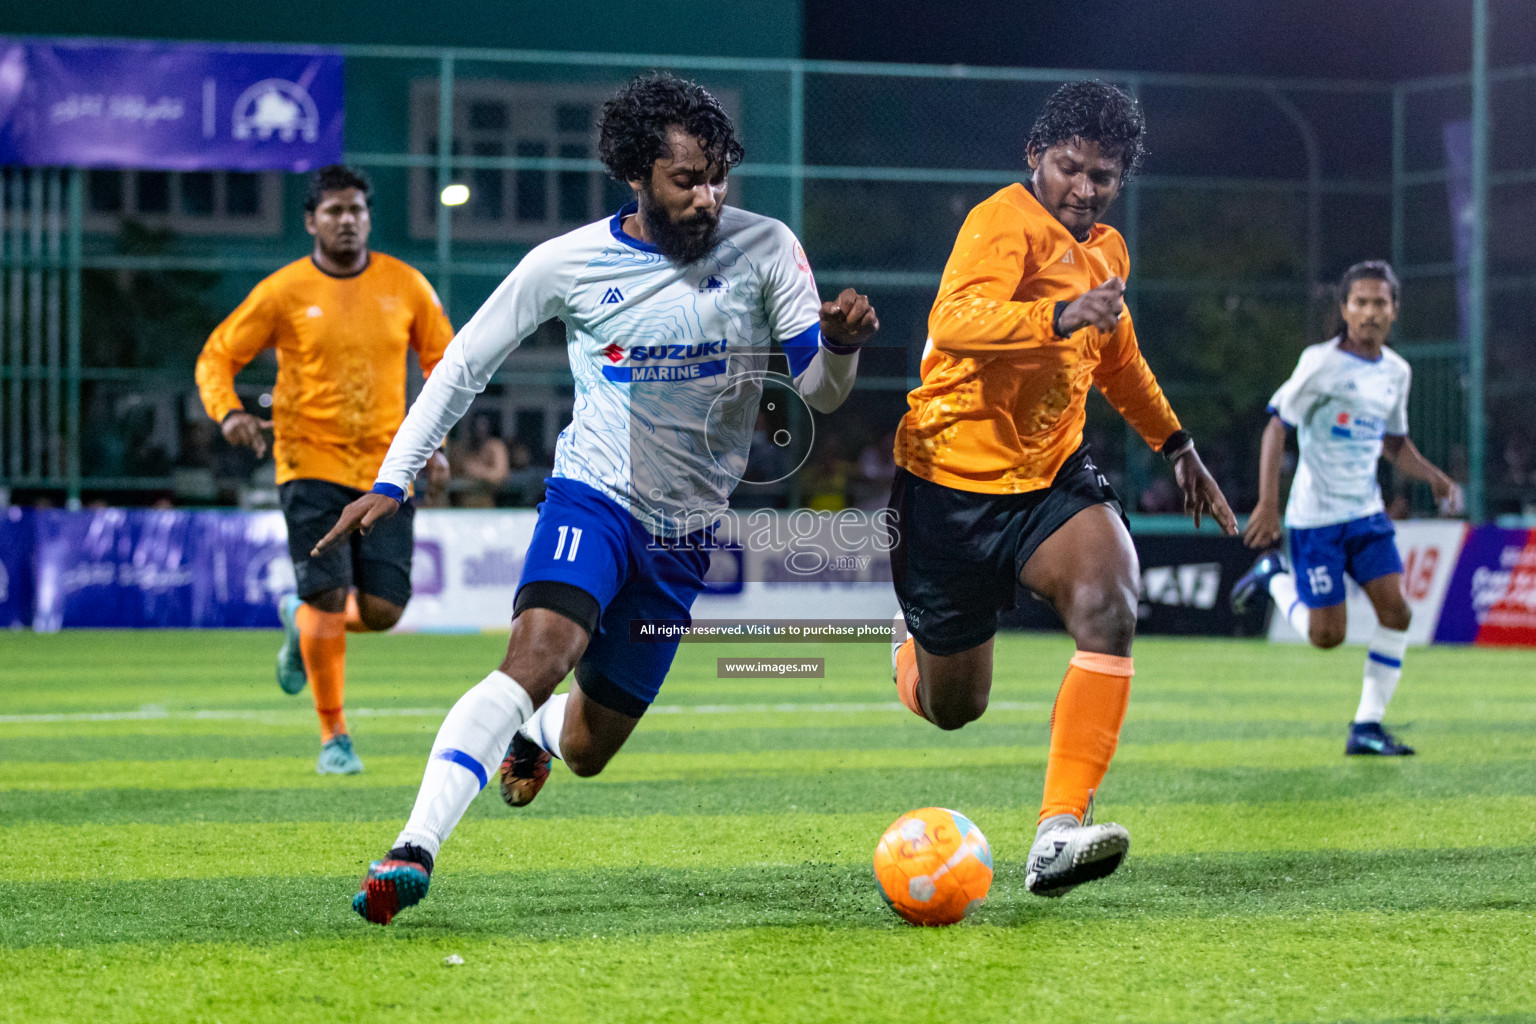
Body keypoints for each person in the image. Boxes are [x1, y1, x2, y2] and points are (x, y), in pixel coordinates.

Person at [313, 72, 880, 925]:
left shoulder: (767, 248)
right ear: (637, 176)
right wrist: (394, 476)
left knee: (585, 748)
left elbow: (821, 391)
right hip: (594, 498)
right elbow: (464, 366)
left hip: (686, 532)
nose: (707, 197)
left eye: (717, 177)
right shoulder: (566, 264)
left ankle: (533, 737)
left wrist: (837, 350)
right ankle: (412, 848)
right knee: (537, 657)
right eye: (686, 180)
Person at [886, 80, 1236, 899]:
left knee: (1112, 606)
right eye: (1069, 168)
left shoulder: (1108, 252)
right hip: (947, 485)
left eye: (1103, 175)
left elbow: (1120, 361)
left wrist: (1177, 444)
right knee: (953, 710)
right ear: (1035, 158)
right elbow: (954, 322)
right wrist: (1058, 317)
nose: (1083, 188)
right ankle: (902, 646)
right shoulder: (1001, 221)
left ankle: (1058, 833)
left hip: (1050, 477)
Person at [195, 164, 454, 774]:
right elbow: (217, 356)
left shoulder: (407, 285)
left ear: (368, 218)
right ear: (312, 221)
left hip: (390, 467)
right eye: (334, 211)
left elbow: (448, 369)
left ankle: (300, 618)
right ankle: (334, 736)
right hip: (307, 459)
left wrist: (436, 444)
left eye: (356, 210)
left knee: (386, 609)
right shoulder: (283, 291)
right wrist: (228, 412)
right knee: (328, 595)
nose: (347, 221)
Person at [1232, 260, 1463, 756]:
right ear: (1344, 309)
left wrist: (1436, 478)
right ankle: (1273, 573)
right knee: (1326, 637)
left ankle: (1367, 726)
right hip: (1316, 519)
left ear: (1395, 310)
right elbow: (1277, 426)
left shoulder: (1397, 372)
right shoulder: (1320, 363)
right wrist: (1269, 503)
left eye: (1380, 302)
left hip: (1366, 514)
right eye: (1360, 302)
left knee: (1397, 613)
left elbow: (1395, 445)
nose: (1370, 312)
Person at [450, 412, 511, 507]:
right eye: (477, 426)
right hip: (462, 504)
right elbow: (452, 475)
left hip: (486, 503)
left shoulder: (495, 446)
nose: (480, 430)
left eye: (484, 426)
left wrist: (477, 471)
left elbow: (501, 475)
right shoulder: (463, 448)